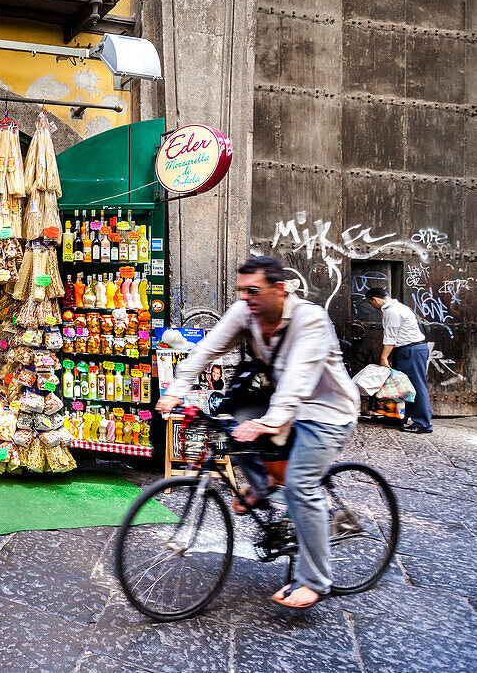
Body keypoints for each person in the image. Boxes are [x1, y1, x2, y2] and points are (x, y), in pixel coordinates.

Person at [155, 256, 360, 610]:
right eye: (240, 291)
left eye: (253, 290)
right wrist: (177, 388)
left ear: (279, 289)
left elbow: (298, 380)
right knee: (226, 425)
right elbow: (207, 348)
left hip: (324, 411)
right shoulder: (246, 312)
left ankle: (315, 580)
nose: (246, 297)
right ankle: (262, 484)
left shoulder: (309, 320)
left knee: (300, 484)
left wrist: (267, 423)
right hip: (275, 399)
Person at [365, 287, 432, 434]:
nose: (372, 306)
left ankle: (422, 424)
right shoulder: (398, 307)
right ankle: (400, 417)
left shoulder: (392, 311)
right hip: (409, 350)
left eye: (371, 303)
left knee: (415, 387)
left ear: (375, 299)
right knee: (404, 387)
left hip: (411, 350)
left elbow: (390, 338)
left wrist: (384, 357)